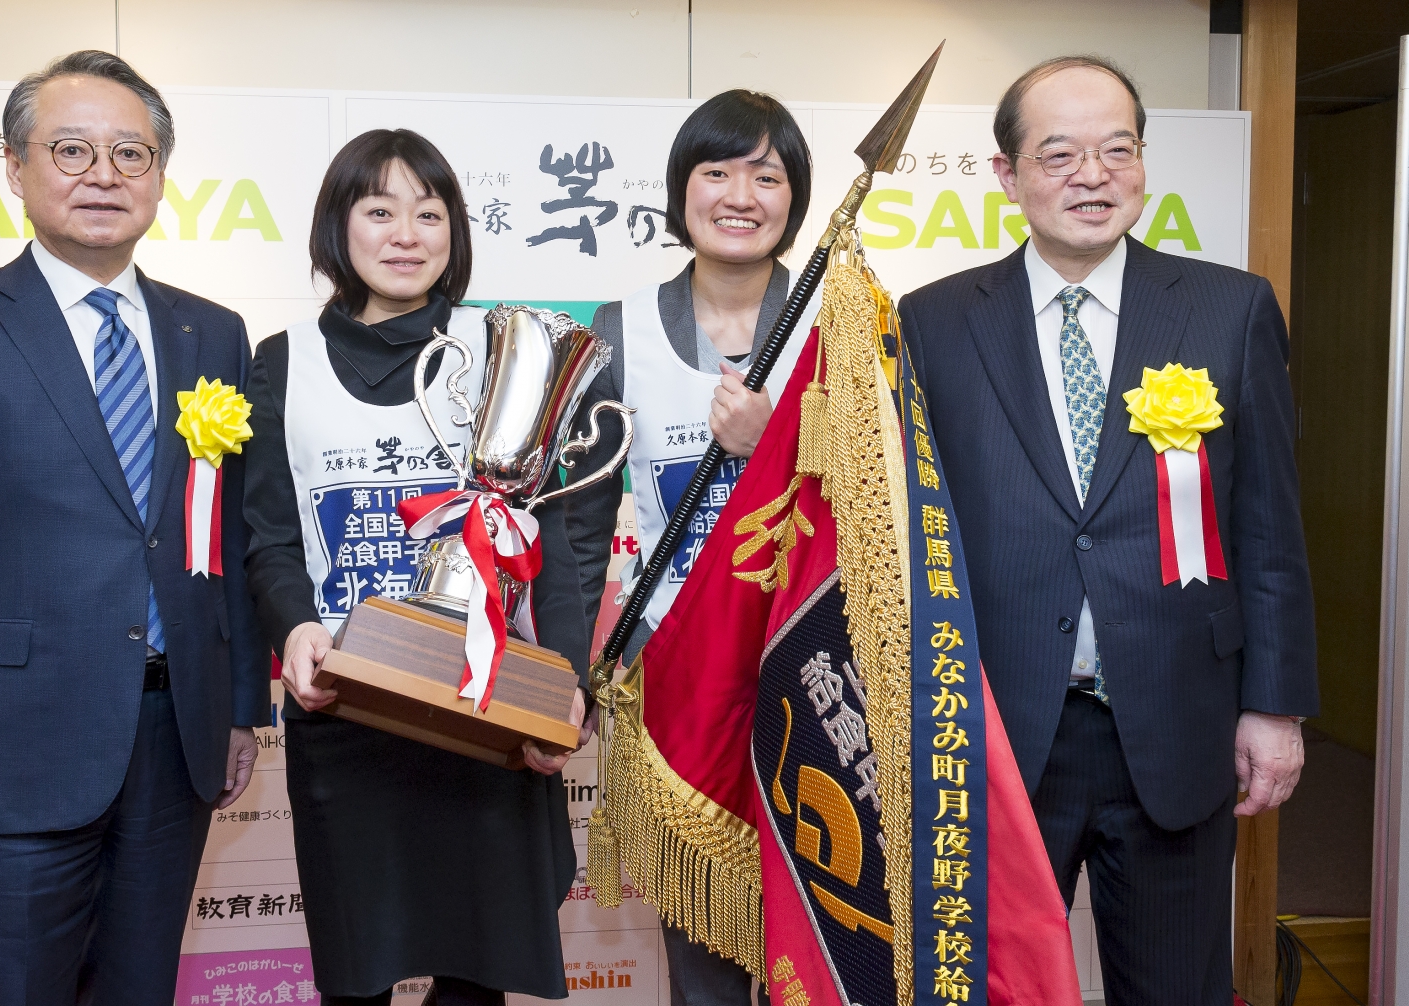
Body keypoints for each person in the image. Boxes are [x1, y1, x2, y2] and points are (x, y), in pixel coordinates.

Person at [0, 50, 269, 1005]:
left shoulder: (212, 332)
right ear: (15, 165)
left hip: (176, 741)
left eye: (131, 153)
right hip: (5, 752)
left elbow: (224, 542)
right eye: (72, 149)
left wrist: (242, 704)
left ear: (160, 174)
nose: (103, 175)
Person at [897, 55, 1318, 1005]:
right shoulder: (934, 323)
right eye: (1059, 155)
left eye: (1117, 150)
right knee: (990, 989)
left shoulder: (1229, 309)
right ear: (1007, 176)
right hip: (997, 733)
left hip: (1178, 723)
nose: (1093, 176)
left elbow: (1269, 527)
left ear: (1142, 164)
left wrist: (1276, 706)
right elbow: (912, 536)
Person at [243, 128, 593, 1006]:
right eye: (379, 210)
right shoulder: (282, 361)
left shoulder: (508, 349)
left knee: (477, 981)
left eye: (429, 214)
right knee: (355, 976)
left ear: (455, 231)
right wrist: (294, 628)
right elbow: (270, 536)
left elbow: (549, 539)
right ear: (338, 226)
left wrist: (566, 687)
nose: (406, 234)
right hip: (347, 706)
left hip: (485, 707)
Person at [563, 89, 819, 1006]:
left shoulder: (843, 320)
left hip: (813, 670)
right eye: (717, 171)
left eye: (767, 176)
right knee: (701, 944)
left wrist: (773, 443)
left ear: (795, 198)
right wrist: (578, 667)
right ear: (681, 192)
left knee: (819, 929)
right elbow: (580, 525)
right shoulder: (618, 325)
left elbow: (889, 500)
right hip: (672, 669)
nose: (740, 195)